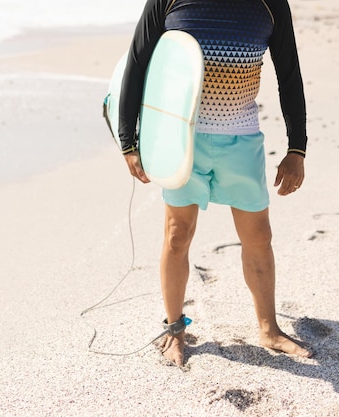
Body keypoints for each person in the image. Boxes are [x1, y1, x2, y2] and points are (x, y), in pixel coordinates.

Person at [118, 0, 312, 366]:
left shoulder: (270, 4)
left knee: (258, 237)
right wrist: (129, 140)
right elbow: (138, 62)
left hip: (241, 138)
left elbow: (289, 73)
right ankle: (175, 330)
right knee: (177, 235)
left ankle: (269, 329)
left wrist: (297, 148)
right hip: (181, 140)